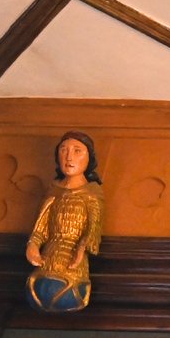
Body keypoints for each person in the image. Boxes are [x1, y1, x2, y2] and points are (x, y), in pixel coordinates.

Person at [25, 132, 103, 312]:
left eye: (77, 151)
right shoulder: (53, 191)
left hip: (72, 257)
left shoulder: (92, 193)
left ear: (89, 158)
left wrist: (82, 247)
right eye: (63, 150)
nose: (69, 157)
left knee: (66, 292)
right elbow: (41, 226)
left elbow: (94, 227)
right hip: (49, 254)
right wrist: (33, 245)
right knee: (40, 289)